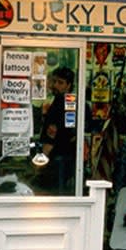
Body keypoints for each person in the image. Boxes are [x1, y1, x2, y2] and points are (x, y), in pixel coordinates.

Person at [37, 64, 77, 192]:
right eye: (55, 81)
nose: (56, 85)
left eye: (61, 83)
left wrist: (43, 157)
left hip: (57, 157)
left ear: (68, 85)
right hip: (64, 155)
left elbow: (52, 133)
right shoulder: (66, 101)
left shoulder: (61, 104)